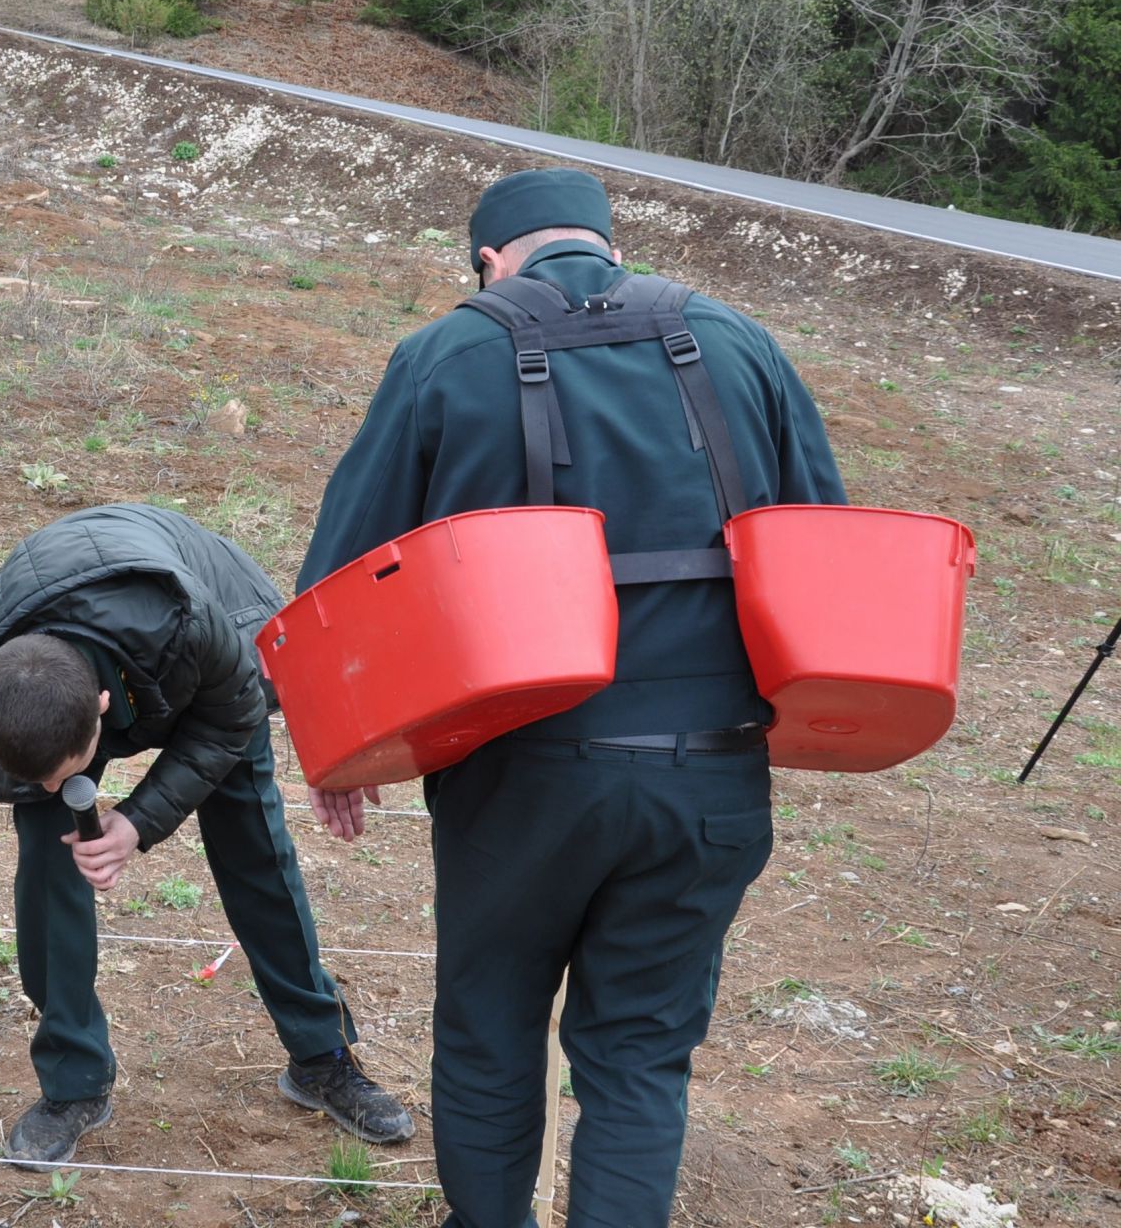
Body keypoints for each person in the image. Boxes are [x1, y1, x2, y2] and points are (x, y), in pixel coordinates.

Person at [294, 167, 846, 1227]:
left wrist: (338, 750)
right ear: (610, 250)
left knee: (491, 1032)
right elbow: (826, 545)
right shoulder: (736, 342)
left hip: (521, 774)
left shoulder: (446, 353)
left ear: (491, 263)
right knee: (641, 1058)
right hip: (712, 772)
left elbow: (344, 581)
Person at [0, 503, 415, 1166]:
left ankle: (323, 1056)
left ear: (100, 711)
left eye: (70, 774)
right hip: (74, 667)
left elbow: (230, 715)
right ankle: (74, 1086)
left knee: (252, 841)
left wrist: (139, 821)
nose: (65, 791)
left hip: (204, 665)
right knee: (48, 857)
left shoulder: (192, 625)